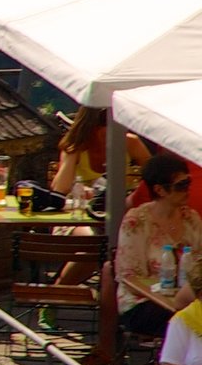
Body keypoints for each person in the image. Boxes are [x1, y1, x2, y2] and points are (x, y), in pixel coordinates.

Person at [117, 154, 202, 339]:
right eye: (180, 186)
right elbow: (130, 277)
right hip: (143, 301)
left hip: (186, 299)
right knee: (184, 319)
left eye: (188, 182)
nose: (187, 189)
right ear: (160, 190)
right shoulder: (137, 220)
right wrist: (168, 299)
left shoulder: (191, 218)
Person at [53, 105, 148, 196]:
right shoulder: (75, 148)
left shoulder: (130, 143)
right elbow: (60, 188)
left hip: (123, 207)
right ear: (91, 127)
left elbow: (157, 177)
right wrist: (72, 152)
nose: (122, 129)